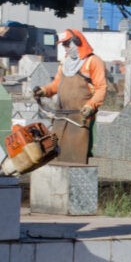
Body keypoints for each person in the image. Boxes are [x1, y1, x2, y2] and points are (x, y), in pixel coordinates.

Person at [33, 28, 106, 163]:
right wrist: (44, 90)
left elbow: (101, 88)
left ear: (77, 42)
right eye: (63, 45)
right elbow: (57, 84)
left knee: (77, 154)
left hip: (81, 117)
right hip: (61, 116)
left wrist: (91, 106)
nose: (65, 48)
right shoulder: (65, 62)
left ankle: (78, 178)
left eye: (67, 44)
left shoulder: (93, 61)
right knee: (55, 151)